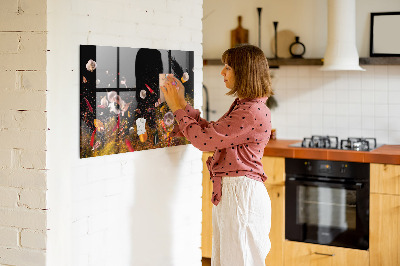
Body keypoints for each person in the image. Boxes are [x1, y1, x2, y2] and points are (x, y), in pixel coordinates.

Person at [161, 44, 273, 266]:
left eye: (228, 67)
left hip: (241, 195)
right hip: (236, 193)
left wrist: (176, 108)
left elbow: (204, 141)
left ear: (244, 72)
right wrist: (182, 104)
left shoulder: (250, 111)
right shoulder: (246, 106)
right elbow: (212, 133)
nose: (222, 72)